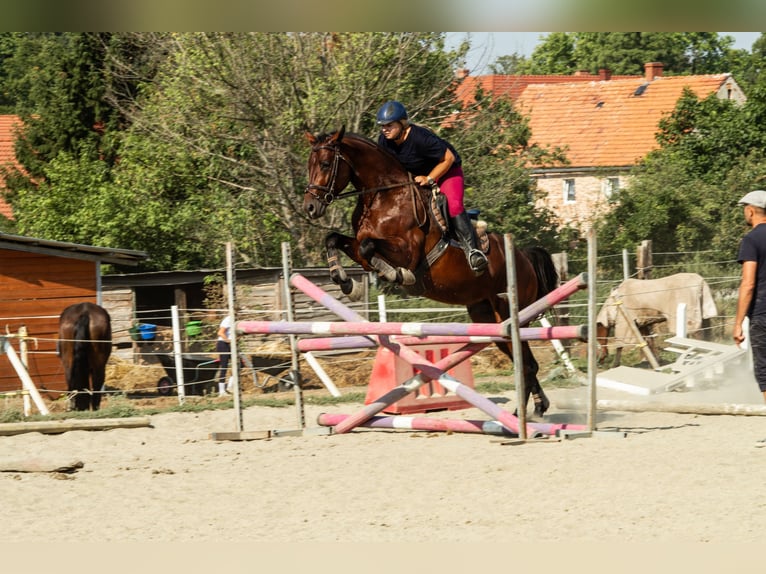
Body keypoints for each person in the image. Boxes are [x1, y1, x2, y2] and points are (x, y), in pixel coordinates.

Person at [375, 100, 488, 275]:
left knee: (453, 205)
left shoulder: (420, 137)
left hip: (447, 171)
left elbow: (448, 158)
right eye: (382, 126)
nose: (385, 129)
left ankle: (473, 251)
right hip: (418, 178)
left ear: (402, 124)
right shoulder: (384, 141)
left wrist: (430, 178)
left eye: (389, 125)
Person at [733, 190, 766, 446]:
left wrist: (737, 322)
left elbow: (748, 284)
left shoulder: (751, 240)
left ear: (751, 210)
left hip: (763, 315)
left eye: (744, 208)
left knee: (765, 372)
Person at [215, 314, 232, 396]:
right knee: (224, 367)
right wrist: (228, 341)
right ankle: (221, 391)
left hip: (230, 345)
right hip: (223, 344)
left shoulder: (235, 320)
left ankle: (230, 386)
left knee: (240, 363)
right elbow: (220, 333)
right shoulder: (228, 319)